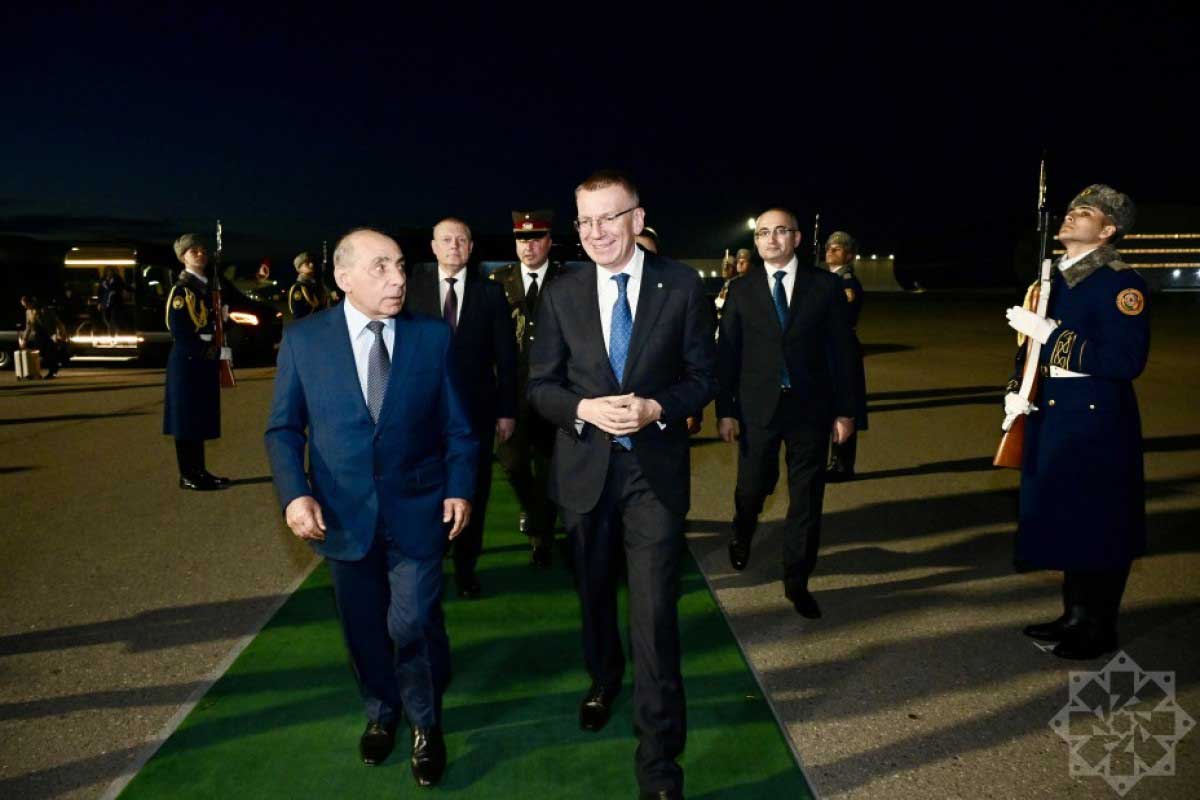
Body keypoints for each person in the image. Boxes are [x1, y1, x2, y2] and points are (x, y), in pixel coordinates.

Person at [528, 170, 716, 800]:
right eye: (584, 221)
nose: (595, 232)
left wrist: (656, 407)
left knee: (655, 615)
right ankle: (604, 676)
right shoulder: (561, 291)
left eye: (608, 218)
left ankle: (659, 762)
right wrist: (582, 409)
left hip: (652, 476)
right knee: (594, 597)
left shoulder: (682, 285)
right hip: (584, 474)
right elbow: (540, 386)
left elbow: (703, 377)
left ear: (637, 219)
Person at [265, 228, 477, 786]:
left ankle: (426, 725)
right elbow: (283, 428)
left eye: (401, 265)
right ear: (343, 278)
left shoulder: (432, 337)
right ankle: (381, 712)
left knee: (412, 620)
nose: (398, 278)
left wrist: (459, 487)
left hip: (419, 509)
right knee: (362, 628)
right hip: (342, 516)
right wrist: (295, 493)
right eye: (381, 267)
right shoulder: (304, 340)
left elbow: (459, 427)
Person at [1003, 184, 1147, 660]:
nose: (1070, 216)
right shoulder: (1054, 278)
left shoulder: (1120, 284)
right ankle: (1075, 615)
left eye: (1085, 212)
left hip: (1094, 419)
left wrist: (1053, 335)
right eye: (1071, 209)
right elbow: (1031, 349)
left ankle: (1098, 627)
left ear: (1108, 231)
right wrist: (1018, 390)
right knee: (1066, 517)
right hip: (1053, 411)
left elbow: (1125, 360)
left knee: (1099, 523)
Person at [716, 208, 857, 619]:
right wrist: (725, 410)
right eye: (763, 232)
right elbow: (727, 355)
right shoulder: (741, 289)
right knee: (751, 488)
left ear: (796, 238)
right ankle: (742, 531)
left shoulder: (825, 286)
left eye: (780, 231)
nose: (771, 239)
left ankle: (797, 580)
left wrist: (846, 411)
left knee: (807, 499)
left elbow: (843, 353)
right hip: (757, 409)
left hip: (810, 410)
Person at [406, 217, 517, 598]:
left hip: (476, 413)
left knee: (473, 488)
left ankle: (466, 567)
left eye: (461, 240)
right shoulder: (413, 289)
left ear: (470, 247)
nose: (454, 246)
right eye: (446, 240)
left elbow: (506, 356)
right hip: (422, 414)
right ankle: (430, 563)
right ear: (433, 247)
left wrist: (507, 410)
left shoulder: (491, 293)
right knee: (426, 488)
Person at [489, 209, 568, 567]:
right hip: (513, 390)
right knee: (512, 463)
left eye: (536, 238)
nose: (528, 246)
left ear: (549, 241)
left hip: (556, 388)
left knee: (550, 467)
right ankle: (533, 510)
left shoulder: (567, 281)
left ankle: (542, 535)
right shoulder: (498, 281)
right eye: (522, 239)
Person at [163, 234, 229, 491]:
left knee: (198, 418)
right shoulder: (181, 291)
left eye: (202, 250)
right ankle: (188, 474)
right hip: (188, 362)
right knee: (186, 420)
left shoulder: (206, 288)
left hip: (202, 362)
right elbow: (180, 333)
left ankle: (200, 471)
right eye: (193, 251)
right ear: (183, 258)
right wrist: (212, 352)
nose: (200, 254)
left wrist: (222, 319)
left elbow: (210, 324)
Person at [824, 231, 868, 480]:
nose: (830, 251)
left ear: (849, 256)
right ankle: (834, 461)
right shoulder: (830, 280)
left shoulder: (846, 283)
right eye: (829, 248)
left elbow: (840, 316)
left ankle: (842, 465)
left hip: (841, 348)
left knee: (844, 404)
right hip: (828, 347)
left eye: (837, 249)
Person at [287, 251, 327, 319]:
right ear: (299, 268)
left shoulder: (315, 284)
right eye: (307, 263)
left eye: (311, 262)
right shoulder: (298, 288)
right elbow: (298, 313)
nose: (311, 264)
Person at [98, 266, 125, 336]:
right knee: (106, 317)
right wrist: (99, 302)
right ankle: (112, 330)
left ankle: (113, 332)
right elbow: (100, 292)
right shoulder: (103, 280)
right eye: (108, 271)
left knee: (114, 317)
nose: (109, 273)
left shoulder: (117, 279)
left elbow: (122, 287)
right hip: (105, 301)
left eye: (111, 271)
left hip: (116, 301)